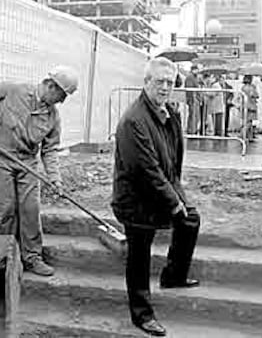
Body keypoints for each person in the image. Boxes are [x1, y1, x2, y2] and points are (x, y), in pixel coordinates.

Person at [112, 57, 200, 337]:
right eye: (159, 81)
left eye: (169, 83)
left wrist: (178, 193)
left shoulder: (169, 112)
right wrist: (173, 201)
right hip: (135, 199)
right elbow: (145, 170)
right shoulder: (133, 121)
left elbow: (172, 158)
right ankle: (142, 314)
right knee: (140, 254)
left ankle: (173, 276)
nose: (164, 87)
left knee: (191, 220)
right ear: (146, 82)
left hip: (162, 185)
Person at [0, 65, 79, 276]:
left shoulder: (53, 117)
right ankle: (1, 258)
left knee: (30, 209)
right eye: (61, 95)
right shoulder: (13, 90)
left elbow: (50, 150)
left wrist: (55, 179)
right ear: (51, 86)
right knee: (6, 209)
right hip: (0, 158)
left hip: (27, 163)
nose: (62, 101)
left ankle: (32, 257)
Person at [241, 74, 259, 141]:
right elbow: (256, 95)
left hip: (244, 106)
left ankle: (248, 136)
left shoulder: (243, 88)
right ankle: (243, 134)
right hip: (251, 106)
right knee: (249, 122)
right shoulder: (252, 87)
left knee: (246, 121)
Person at [184, 65, 200, 134]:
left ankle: (193, 129)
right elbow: (190, 89)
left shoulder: (195, 77)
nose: (197, 71)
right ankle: (191, 130)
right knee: (193, 115)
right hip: (193, 99)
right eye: (196, 69)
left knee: (195, 115)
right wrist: (191, 100)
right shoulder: (190, 77)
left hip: (195, 98)